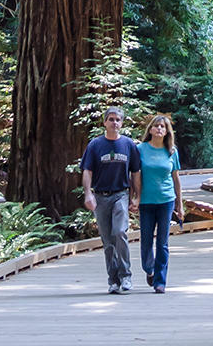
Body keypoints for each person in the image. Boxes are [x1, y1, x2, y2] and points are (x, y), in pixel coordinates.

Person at [81, 106, 142, 294]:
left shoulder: (128, 144)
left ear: (122, 123)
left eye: (118, 120)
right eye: (111, 119)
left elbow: (136, 172)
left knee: (120, 232)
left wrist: (136, 196)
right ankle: (113, 280)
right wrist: (88, 193)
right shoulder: (95, 145)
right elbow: (87, 171)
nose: (115, 123)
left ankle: (126, 276)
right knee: (107, 240)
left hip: (121, 194)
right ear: (105, 122)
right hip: (100, 196)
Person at [136, 114, 182, 294]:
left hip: (166, 200)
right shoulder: (140, 149)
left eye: (163, 126)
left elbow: (176, 179)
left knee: (162, 242)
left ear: (167, 131)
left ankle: (160, 281)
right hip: (146, 201)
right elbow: (135, 175)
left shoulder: (171, 151)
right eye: (156, 126)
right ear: (150, 129)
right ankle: (150, 269)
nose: (159, 129)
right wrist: (135, 196)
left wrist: (180, 205)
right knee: (146, 241)